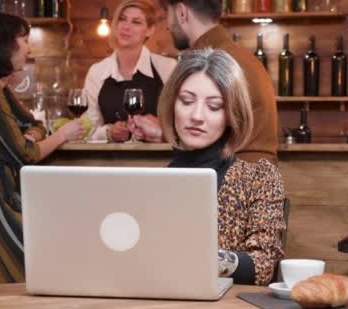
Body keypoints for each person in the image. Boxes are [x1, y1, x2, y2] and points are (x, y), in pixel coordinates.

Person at [0, 13, 84, 283]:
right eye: (24, 40)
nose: (29, 48)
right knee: (36, 257)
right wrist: (63, 135)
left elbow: (34, 124)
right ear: (3, 43)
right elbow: (24, 155)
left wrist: (32, 135)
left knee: (47, 245)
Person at [158, 48, 285, 285]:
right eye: (186, 101)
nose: (196, 115)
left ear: (232, 115)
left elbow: (262, 267)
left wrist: (200, 259)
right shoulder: (155, 183)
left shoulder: (259, 178)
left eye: (214, 106)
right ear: (171, 105)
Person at [137, 0, 278, 163]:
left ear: (182, 13)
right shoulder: (238, 57)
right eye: (187, 101)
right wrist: (162, 132)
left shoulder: (219, 63)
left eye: (167, 14)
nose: (167, 25)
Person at [84, 0, 177, 142]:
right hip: (110, 160)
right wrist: (109, 132)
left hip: (158, 159)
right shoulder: (97, 72)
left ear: (150, 30)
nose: (126, 27)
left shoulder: (168, 68)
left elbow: (179, 124)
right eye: (122, 19)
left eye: (136, 22)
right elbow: (89, 128)